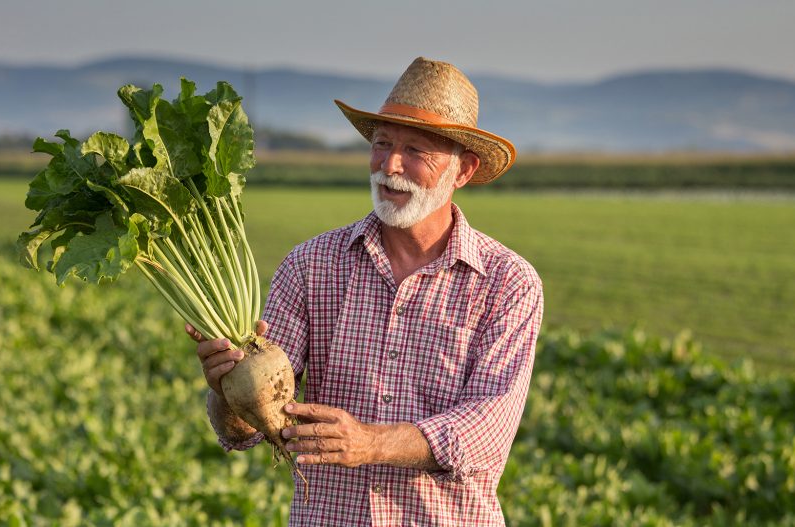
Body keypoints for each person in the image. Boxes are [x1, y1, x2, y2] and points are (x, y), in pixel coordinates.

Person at [187, 57, 544, 526]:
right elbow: (249, 428)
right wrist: (226, 390)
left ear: (462, 170)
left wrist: (370, 442)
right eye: (381, 144)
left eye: (415, 150)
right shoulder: (310, 265)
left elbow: (485, 432)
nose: (389, 165)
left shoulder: (507, 283)